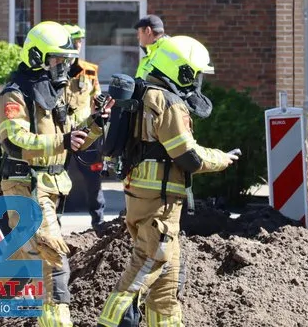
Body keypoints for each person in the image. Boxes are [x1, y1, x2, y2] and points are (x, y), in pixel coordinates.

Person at [0, 21, 112, 327]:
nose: (63, 66)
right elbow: (16, 140)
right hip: (24, 186)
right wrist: (62, 141)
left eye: (65, 60)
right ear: (37, 57)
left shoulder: (54, 93)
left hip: (50, 186)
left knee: (16, 267)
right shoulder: (14, 95)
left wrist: (96, 121)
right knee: (53, 261)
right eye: (57, 59)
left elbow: (73, 136)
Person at [97, 35, 238, 327]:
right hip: (159, 207)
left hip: (144, 200)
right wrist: (222, 158)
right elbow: (188, 157)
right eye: (195, 74)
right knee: (147, 264)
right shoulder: (169, 103)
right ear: (183, 72)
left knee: (165, 287)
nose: (197, 81)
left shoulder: (145, 94)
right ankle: (109, 323)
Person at [63, 23, 106, 231]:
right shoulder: (55, 70)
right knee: (57, 178)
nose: (79, 44)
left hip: (86, 134)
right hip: (61, 134)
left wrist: (102, 110)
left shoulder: (89, 70)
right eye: (75, 40)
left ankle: (98, 223)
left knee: (93, 180)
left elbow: (95, 97)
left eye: (80, 40)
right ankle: (54, 223)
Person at [134, 14, 168, 79]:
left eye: (139, 33)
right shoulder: (154, 52)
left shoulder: (162, 54)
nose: (138, 37)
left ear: (148, 31)